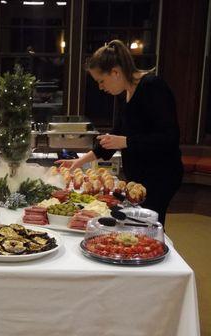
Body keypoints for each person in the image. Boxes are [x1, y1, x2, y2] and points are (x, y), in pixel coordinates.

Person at [56, 40, 183, 226]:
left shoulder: (152, 87)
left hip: (160, 175)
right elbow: (113, 138)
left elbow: (169, 138)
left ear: (115, 72)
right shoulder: (127, 94)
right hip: (138, 176)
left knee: (148, 227)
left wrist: (126, 142)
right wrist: (79, 162)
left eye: (101, 81)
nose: (100, 87)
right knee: (135, 225)